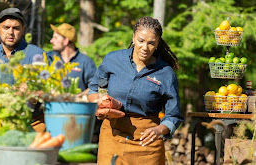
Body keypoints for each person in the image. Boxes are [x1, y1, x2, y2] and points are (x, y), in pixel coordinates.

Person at [88, 16, 184, 165]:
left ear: (158, 43)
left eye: (151, 43)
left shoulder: (165, 73)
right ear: (133, 38)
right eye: (141, 41)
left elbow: (174, 115)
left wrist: (159, 130)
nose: (145, 48)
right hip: (112, 134)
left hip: (147, 141)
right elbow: (96, 87)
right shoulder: (113, 60)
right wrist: (100, 100)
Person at [0, 8, 45, 132]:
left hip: (31, 125)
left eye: (16, 28)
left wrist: (31, 90)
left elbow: (49, 88)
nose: (11, 32)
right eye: (6, 27)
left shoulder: (37, 55)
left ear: (23, 29)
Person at [47, 23, 96, 96]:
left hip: (77, 106)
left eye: (55, 38)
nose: (51, 41)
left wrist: (77, 97)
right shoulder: (49, 58)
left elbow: (95, 87)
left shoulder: (85, 62)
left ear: (66, 41)